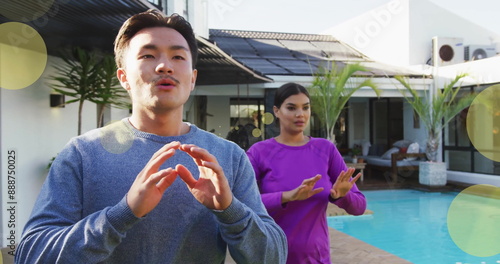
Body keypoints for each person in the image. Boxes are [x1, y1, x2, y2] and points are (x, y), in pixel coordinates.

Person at [15, 10, 287, 264]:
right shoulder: (83, 153)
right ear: (123, 77)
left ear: (192, 79)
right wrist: (121, 215)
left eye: (178, 57)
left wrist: (230, 210)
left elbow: (274, 256)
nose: (164, 66)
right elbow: (30, 253)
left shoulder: (228, 157)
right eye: (148, 56)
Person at [246, 82, 366, 264]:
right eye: (291, 108)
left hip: (316, 258)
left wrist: (341, 196)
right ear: (277, 111)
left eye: (305, 107)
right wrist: (287, 196)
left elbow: (359, 207)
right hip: (271, 256)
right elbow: (243, 203)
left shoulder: (326, 150)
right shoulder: (259, 152)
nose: (300, 114)